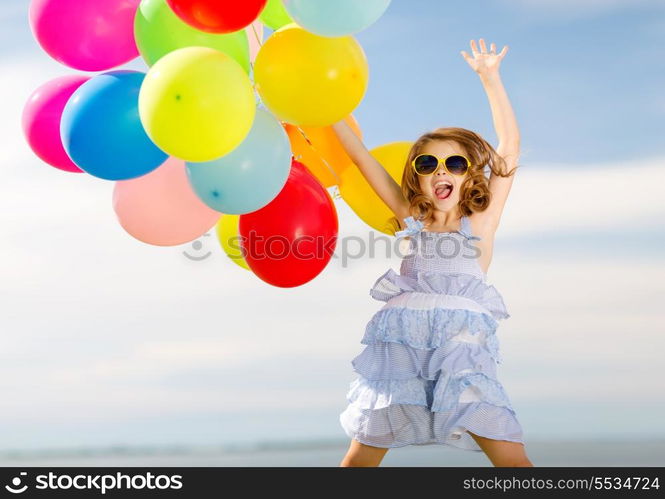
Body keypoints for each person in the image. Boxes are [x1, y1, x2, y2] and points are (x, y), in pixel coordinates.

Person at [332, 38, 532, 467]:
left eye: (454, 164)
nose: (441, 171)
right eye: (428, 165)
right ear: (418, 179)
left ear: (467, 176)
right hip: (401, 344)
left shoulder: (480, 222)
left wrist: (490, 78)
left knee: (508, 455)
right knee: (359, 458)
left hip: (459, 345)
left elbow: (509, 146)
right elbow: (361, 157)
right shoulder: (410, 217)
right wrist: (323, 110)